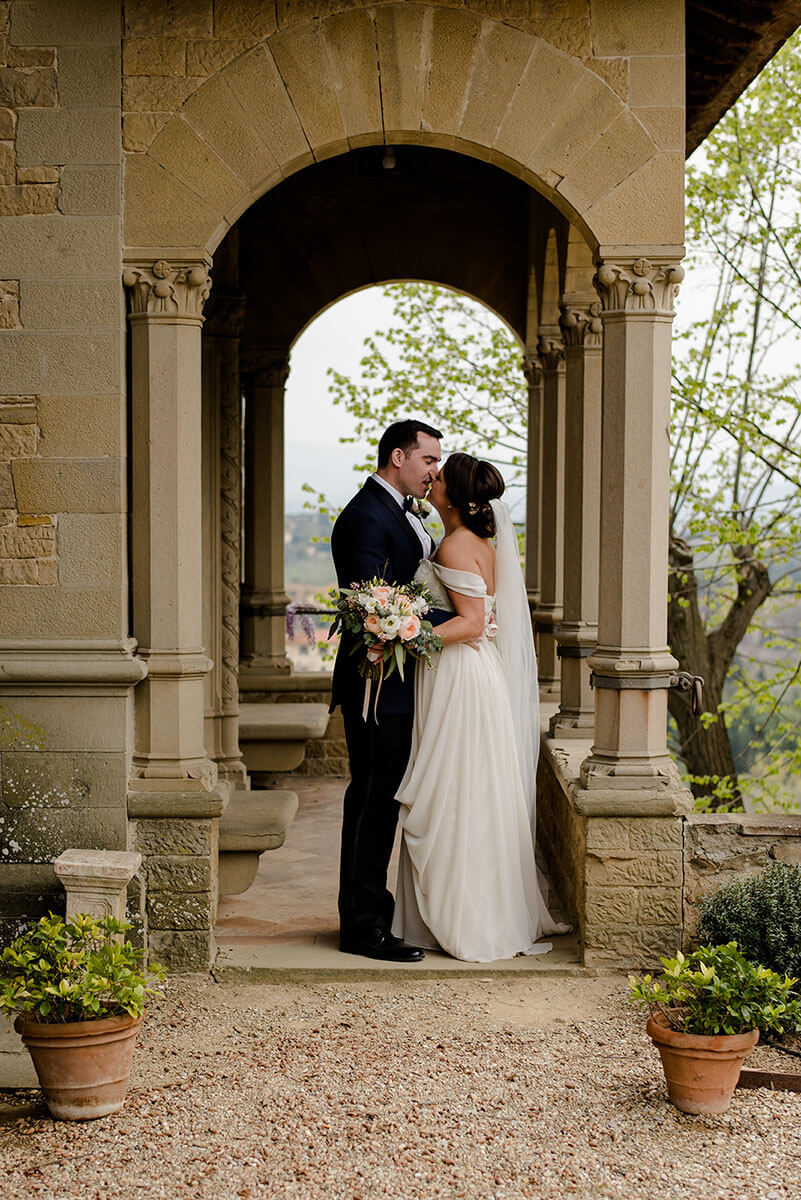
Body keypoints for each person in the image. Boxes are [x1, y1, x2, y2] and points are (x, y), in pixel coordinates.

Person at [392, 452, 569, 962]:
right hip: (476, 672)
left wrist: (407, 634)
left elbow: (469, 622)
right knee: (472, 788)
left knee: (456, 790)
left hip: (458, 677)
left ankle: (465, 917)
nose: (433, 480)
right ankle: (478, 906)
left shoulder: (454, 545)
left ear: (456, 493)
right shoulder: (481, 543)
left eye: (440, 476)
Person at [330, 419, 447, 962]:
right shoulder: (364, 517)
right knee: (373, 798)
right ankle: (362, 927)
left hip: (399, 681)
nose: (434, 471)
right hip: (377, 682)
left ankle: (372, 912)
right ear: (398, 457)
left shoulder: (399, 511)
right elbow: (372, 611)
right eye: (428, 461)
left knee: (383, 798)